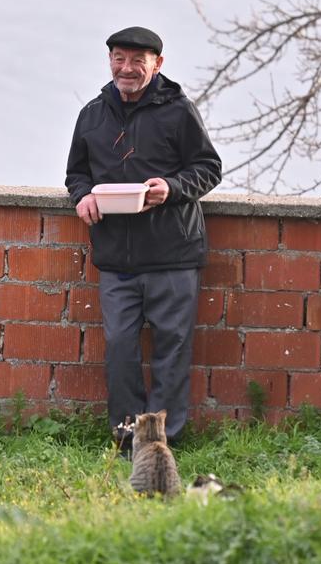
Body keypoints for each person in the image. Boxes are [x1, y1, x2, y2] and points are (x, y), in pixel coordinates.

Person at [65, 26, 223, 450]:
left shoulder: (178, 110)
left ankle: (161, 440)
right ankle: (127, 437)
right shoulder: (93, 114)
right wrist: (82, 198)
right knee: (120, 349)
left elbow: (208, 168)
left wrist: (170, 188)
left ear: (158, 64)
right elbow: (76, 174)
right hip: (116, 257)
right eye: (120, 58)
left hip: (173, 254)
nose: (127, 68)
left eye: (138, 60)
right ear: (110, 60)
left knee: (171, 350)